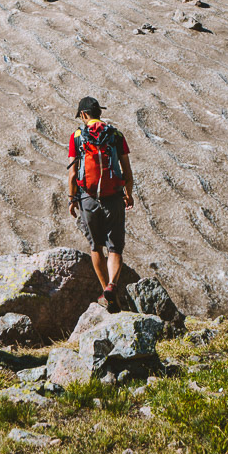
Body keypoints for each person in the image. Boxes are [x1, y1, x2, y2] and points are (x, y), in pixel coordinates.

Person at [68, 96, 134, 311]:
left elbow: (72, 174)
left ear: (83, 114)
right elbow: (127, 170)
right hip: (113, 197)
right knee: (115, 249)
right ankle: (112, 285)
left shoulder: (77, 136)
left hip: (88, 198)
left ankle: (105, 290)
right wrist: (128, 194)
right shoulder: (116, 135)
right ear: (99, 113)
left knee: (96, 247)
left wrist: (72, 199)